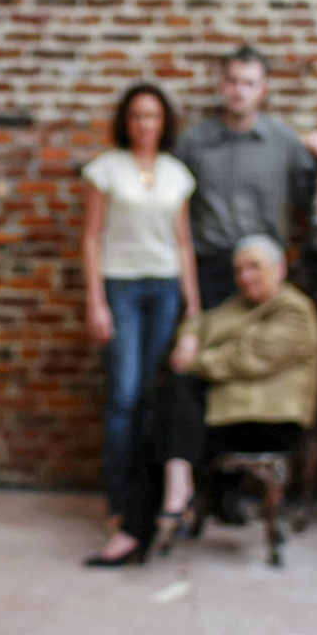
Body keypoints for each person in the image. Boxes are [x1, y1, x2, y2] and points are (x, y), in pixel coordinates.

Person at [80, 83, 200, 567]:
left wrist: (192, 307)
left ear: (164, 122)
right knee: (124, 396)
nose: (145, 124)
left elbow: (184, 243)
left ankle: (146, 504)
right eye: (136, 116)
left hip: (166, 289)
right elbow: (91, 240)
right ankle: (119, 500)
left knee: (154, 396)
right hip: (122, 289)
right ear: (126, 121)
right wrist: (96, 302)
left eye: (153, 116)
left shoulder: (177, 175)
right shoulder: (105, 170)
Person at [155, 235, 317, 537]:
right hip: (233, 412)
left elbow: (244, 358)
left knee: (165, 412)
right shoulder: (240, 305)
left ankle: (162, 511)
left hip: (269, 421)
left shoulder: (295, 311)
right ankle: (173, 499)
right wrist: (189, 338)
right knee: (165, 406)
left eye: (254, 267)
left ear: (280, 268)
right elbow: (203, 322)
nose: (245, 277)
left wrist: (190, 361)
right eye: (239, 270)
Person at [175, 44, 317, 310]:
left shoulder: (284, 142)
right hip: (211, 268)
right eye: (233, 81)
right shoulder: (193, 143)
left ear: (263, 90)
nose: (239, 91)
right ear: (222, 85)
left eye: (249, 83)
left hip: (266, 266)